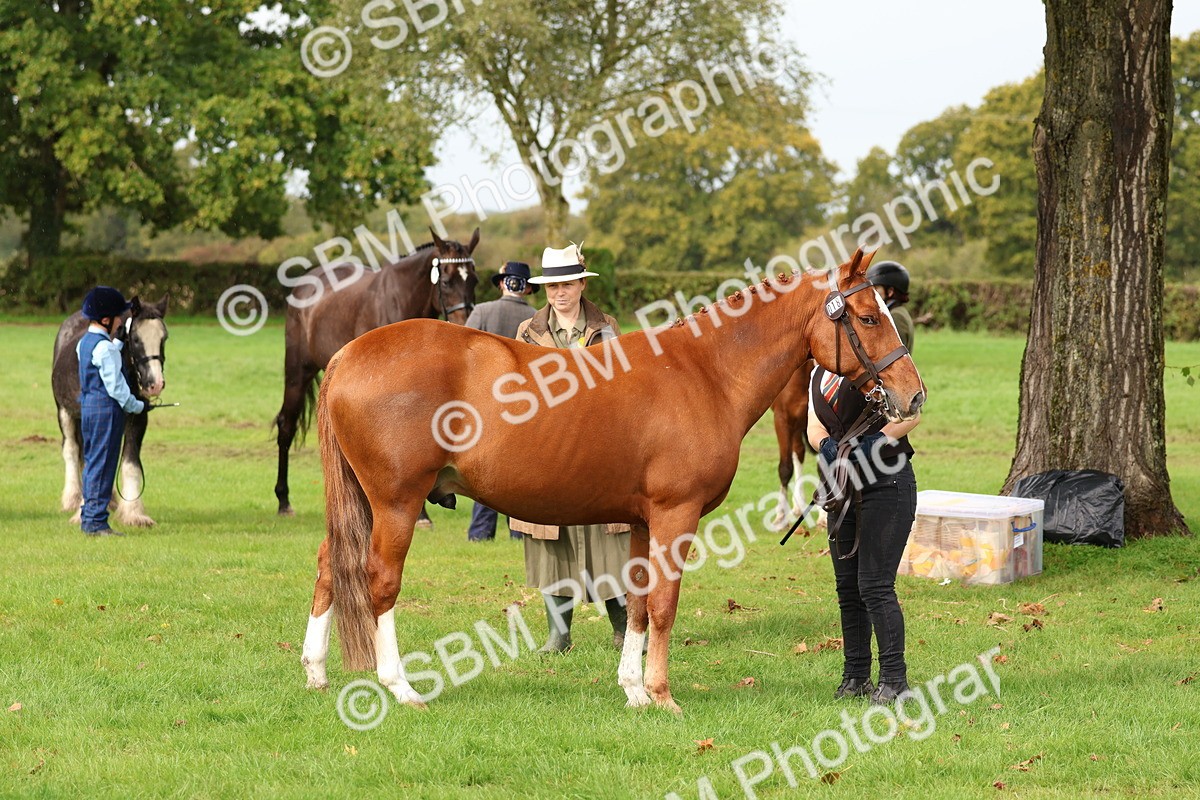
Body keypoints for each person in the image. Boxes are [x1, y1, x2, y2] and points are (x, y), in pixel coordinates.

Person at [510, 243, 631, 653]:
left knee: (609, 538)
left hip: (599, 445)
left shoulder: (607, 325)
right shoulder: (527, 332)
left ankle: (622, 629)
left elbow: (622, 382)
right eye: (552, 286)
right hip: (548, 447)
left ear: (581, 283)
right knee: (550, 539)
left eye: (567, 283)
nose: (560, 293)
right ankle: (558, 636)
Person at [807, 354, 921, 704]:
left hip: (888, 484)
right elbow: (814, 426)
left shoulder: (880, 361)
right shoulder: (815, 374)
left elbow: (911, 414)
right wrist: (827, 446)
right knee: (847, 589)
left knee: (874, 585)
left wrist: (876, 442)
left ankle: (894, 680)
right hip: (841, 489)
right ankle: (855, 676)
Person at [463, 262, 539, 542]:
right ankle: (519, 532)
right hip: (525, 404)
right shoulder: (536, 317)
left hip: (484, 403)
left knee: (485, 469)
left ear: (501, 283)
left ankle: (480, 534)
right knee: (519, 471)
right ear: (528, 287)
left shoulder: (482, 311)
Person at [77, 286, 147, 537]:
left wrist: (116, 344)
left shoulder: (86, 343)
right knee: (104, 465)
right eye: (118, 317)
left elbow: (101, 359)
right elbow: (116, 388)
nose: (121, 320)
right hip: (106, 411)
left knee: (93, 461)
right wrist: (137, 405)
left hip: (88, 408)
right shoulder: (105, 349)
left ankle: (89, 517)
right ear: (106, 320)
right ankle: (96, 522)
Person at [866, 261, 914, 352]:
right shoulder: (899, 311)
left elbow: (892, 354)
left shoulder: (896, 316)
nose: (871, 293)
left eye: (876, 288)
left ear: (890, 291)